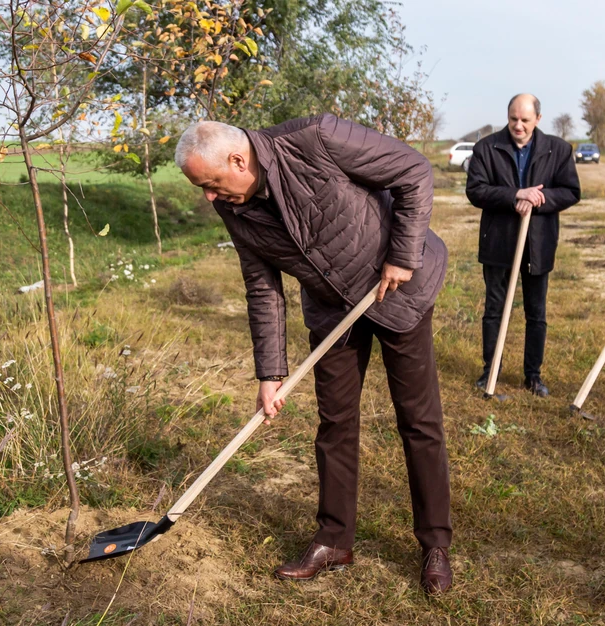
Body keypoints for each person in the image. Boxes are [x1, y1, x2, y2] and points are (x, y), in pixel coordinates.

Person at [174, 115, 453, 594]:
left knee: (418, 420)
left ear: (239, 161)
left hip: (399, 290)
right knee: (335, 422)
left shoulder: (316, 139)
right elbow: (262, 288)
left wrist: (403, 255)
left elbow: (414, 171)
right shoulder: (233, 206)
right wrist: (270, 373)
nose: (210, 197)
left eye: (212, 184)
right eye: (203, 188)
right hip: (331, 311)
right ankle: (334, 540)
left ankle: (435, 545)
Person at [465, 94, 581, 397]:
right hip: (498, 241)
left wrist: (541, 200)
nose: (518, 125)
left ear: (538, 120)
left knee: (536, 312)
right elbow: (476, 191)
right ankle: (490, 371)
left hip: (538, 243)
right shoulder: (486, 148)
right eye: (513, 118)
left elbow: (570, 191)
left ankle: (533, 376)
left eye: (525, 120)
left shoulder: (558, 150)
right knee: (495, 309)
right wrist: (515, 194)